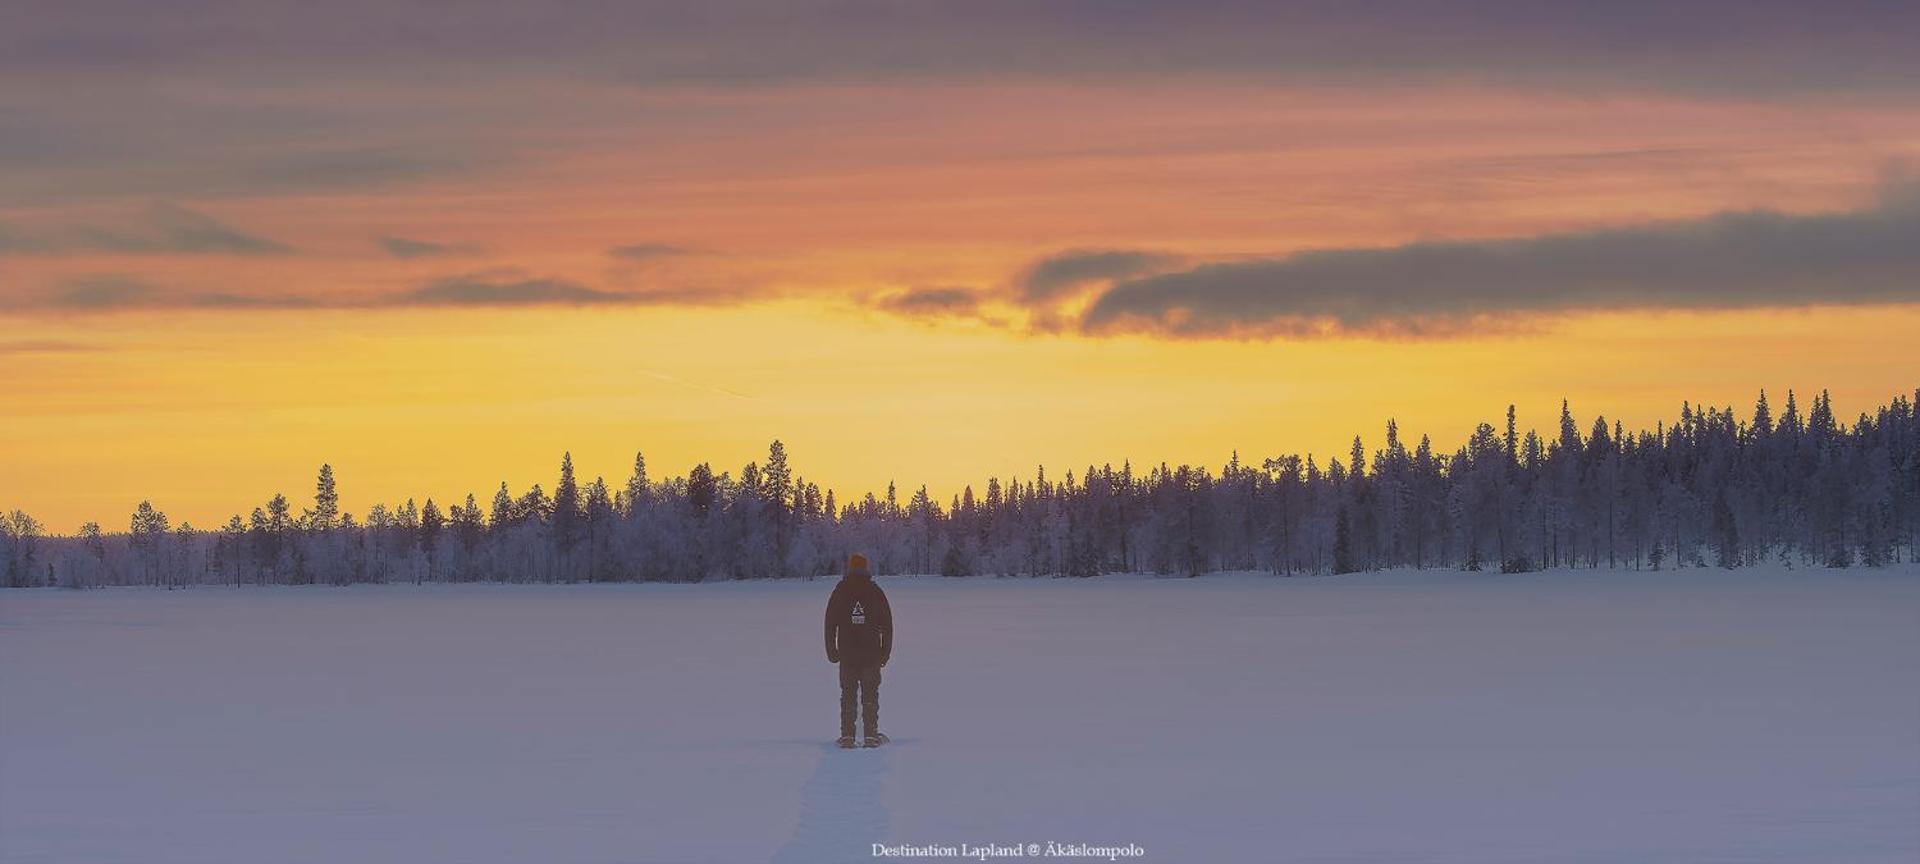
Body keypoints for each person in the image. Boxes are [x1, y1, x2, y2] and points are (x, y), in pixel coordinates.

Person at [824, 553, 892, 748]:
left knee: (848, 695)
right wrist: (885, 652)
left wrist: (832, 650)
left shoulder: (840, 591)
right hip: (871, 654)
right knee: (870, 695)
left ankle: (847, 736)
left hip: (848, 655)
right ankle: (871, 736)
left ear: (850, 568)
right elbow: (887, 625)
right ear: (866, 568)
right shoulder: (875, 592)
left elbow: (830, 624)